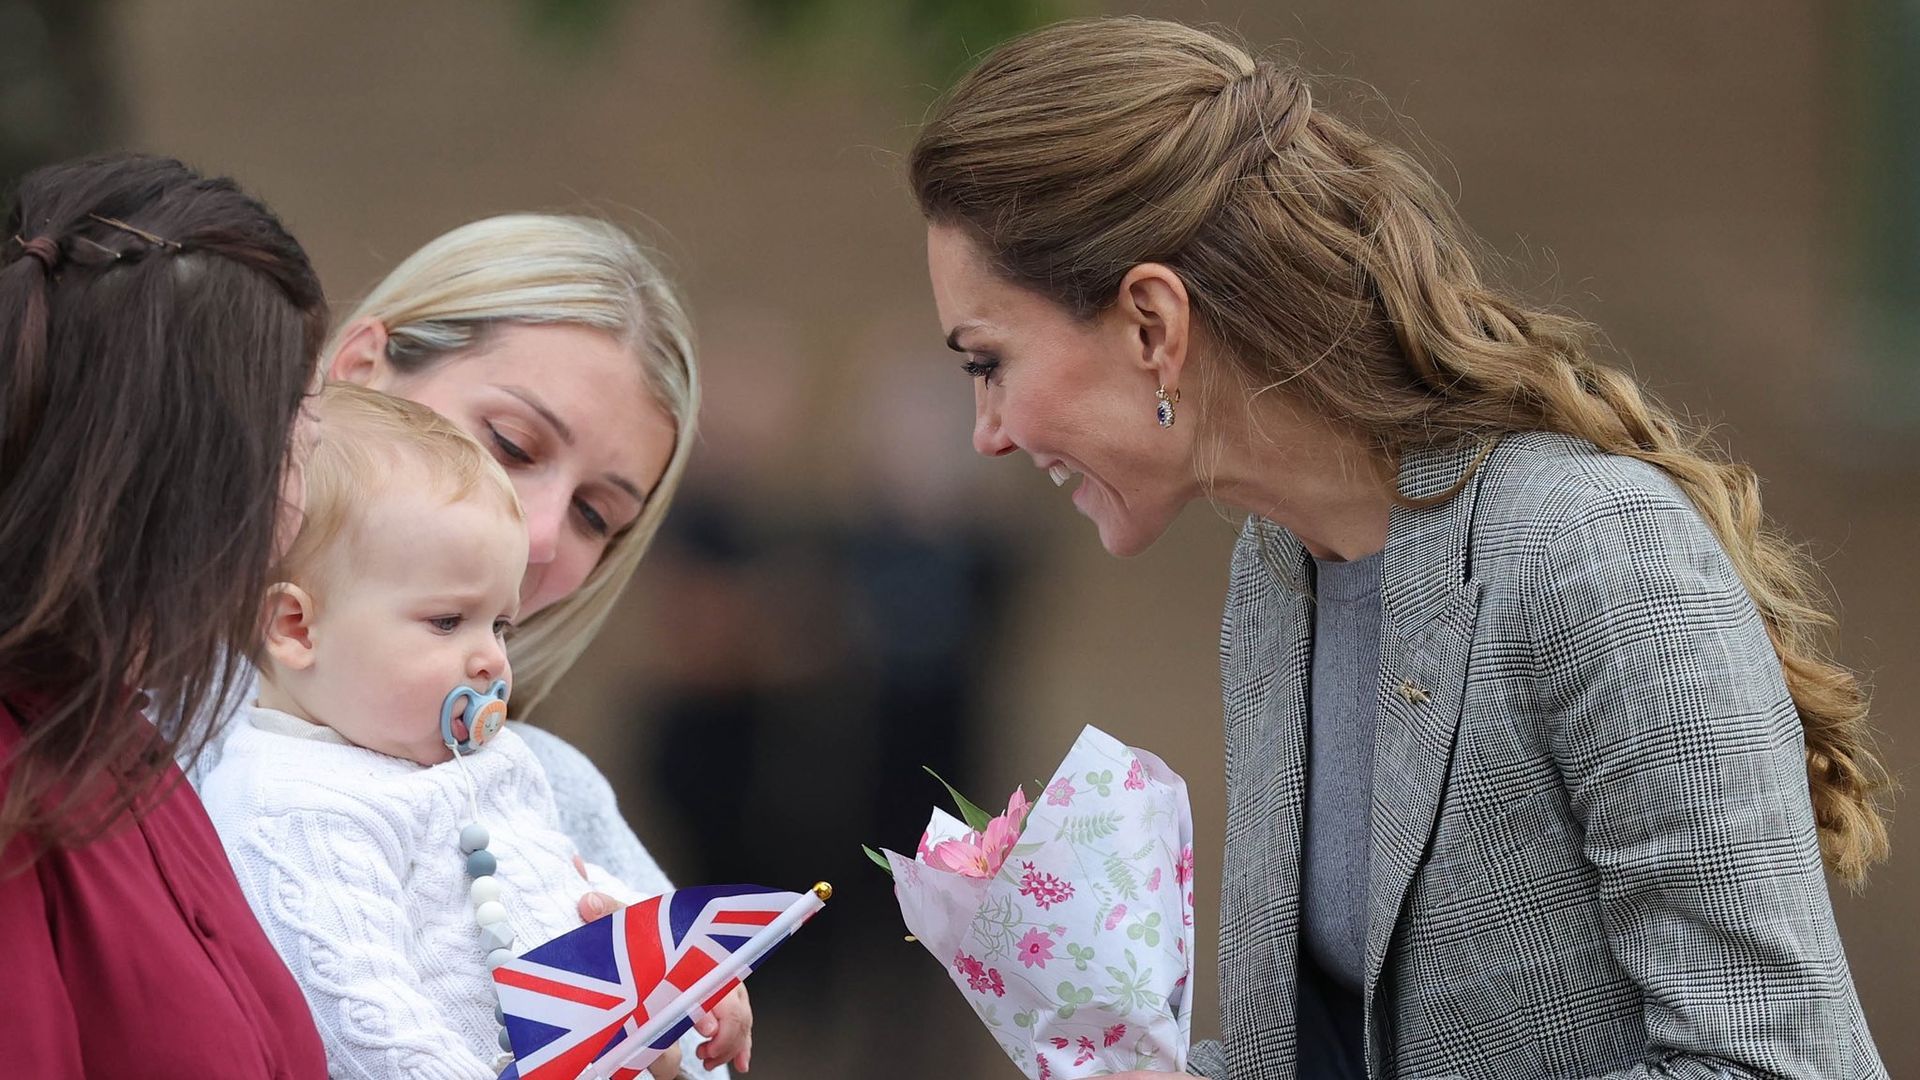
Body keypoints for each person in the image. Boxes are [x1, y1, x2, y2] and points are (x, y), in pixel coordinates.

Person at [908, 17, 1889, 1079]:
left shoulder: (1591, 555)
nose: (988, 431)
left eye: (987, 361)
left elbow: (1782, 1063)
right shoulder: (1279, 577)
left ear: (1153, 324)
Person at [187, 213, 747, 1076]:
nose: (542, 532)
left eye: (599, 515)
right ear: (359, 371)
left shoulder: (548, 786)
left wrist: (680, 1018)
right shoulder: (114, 734)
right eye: (512, 445)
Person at [0, 153, 331, 1077]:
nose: (304, 499)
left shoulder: (123, 742)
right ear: (211, 469)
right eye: (301, 436)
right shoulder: (31, 771)